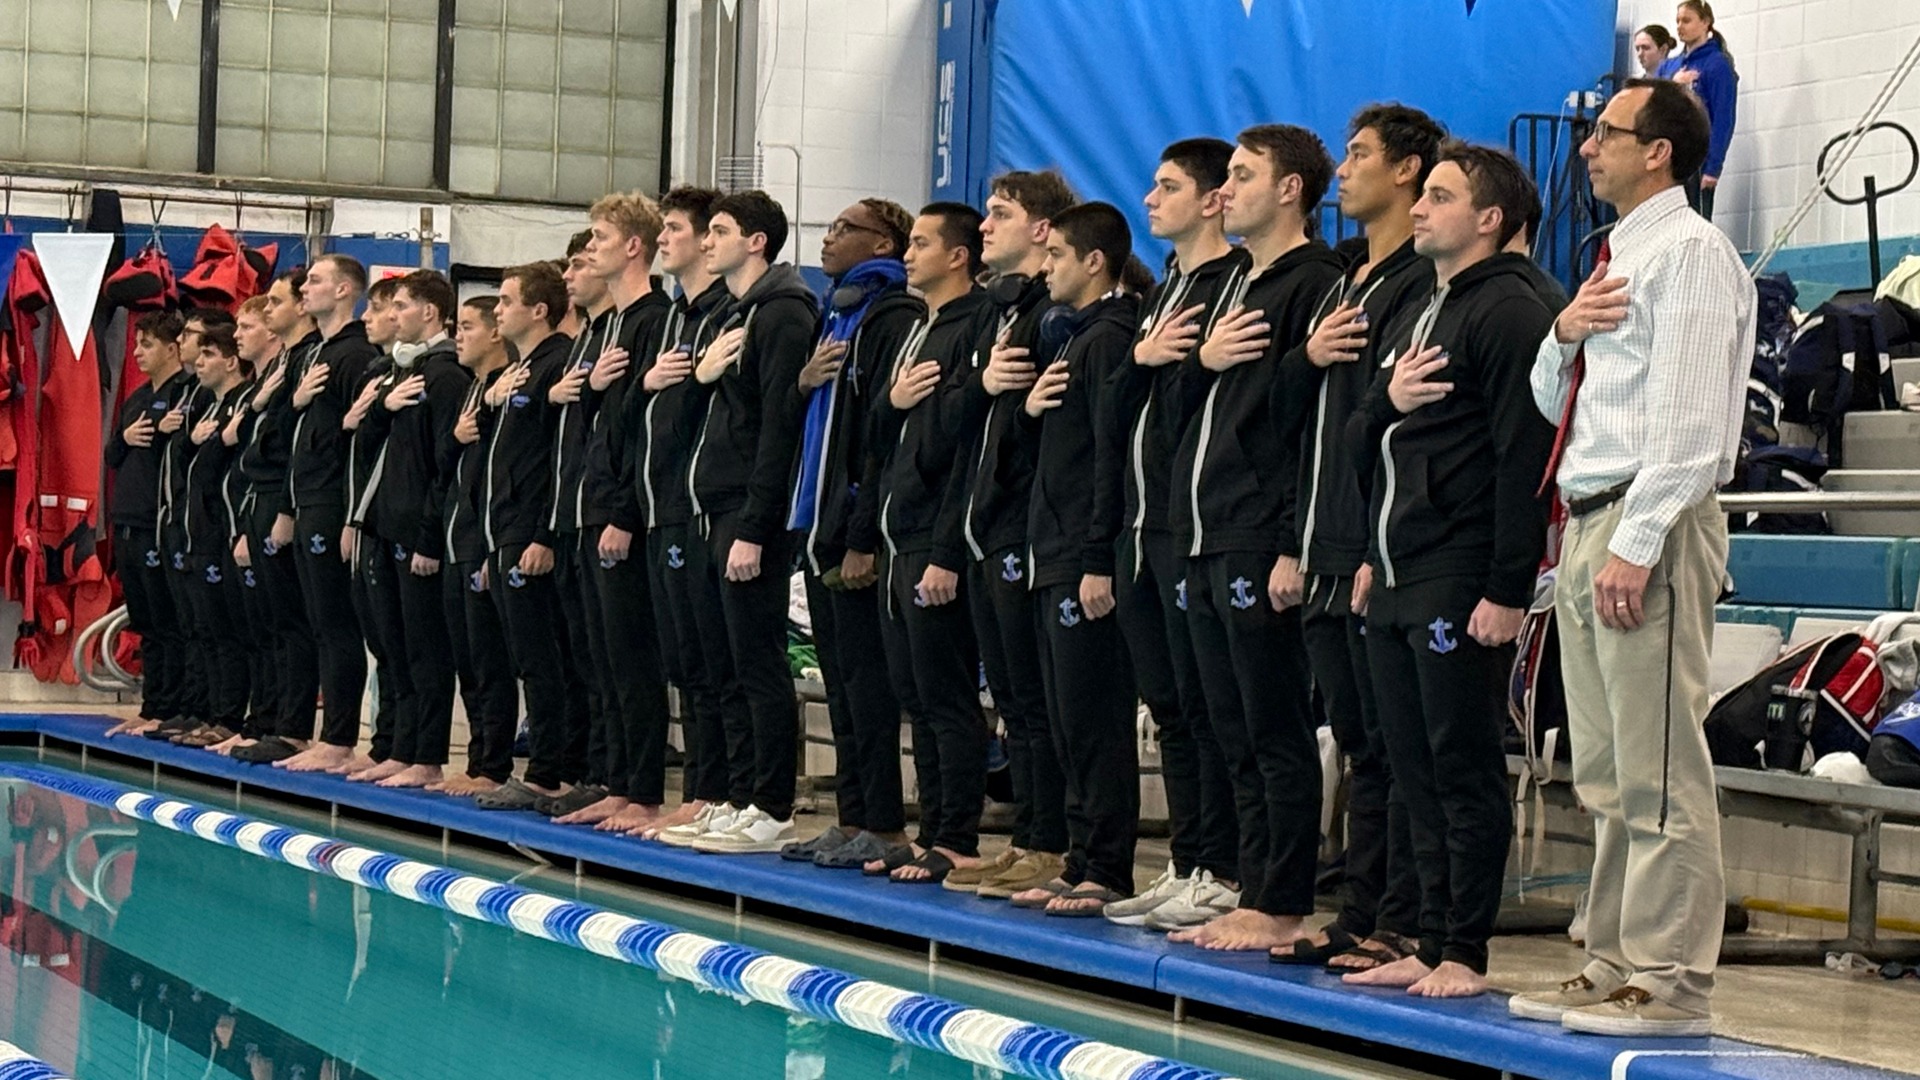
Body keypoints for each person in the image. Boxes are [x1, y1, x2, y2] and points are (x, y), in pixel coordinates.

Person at [1513, 77, 1753, 1038]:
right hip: (1588, 517)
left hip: (1643, 525)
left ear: (1658, 151)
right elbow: (1551, 404)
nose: (1585, 149)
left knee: (1659, 768)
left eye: (1605, 134)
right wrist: (1562, 334)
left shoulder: (1691, 254)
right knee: (1607, 769)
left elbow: (1696, 429)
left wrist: (1641, 541)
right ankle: (1612, 956)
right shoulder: (1614, 256)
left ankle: (1671, 982)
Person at [1341, 142, 1556, 998]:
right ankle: (1428, 938)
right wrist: (1369, 553)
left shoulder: (1511, 310)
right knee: (1410, 764)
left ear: (1491, 218)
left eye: (1439, 196)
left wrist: (1508, 587)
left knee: (1458, 763)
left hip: (1462, 572)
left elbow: (1523, 457)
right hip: (1396, 568)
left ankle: (1465, 949)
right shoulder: (1421, 307)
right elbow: (1361, 431)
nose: (1419, 208)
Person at [1269, 103, 1442, 973]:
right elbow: (1291, 419)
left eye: (1361, 154)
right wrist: (1303, 357)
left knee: (1390, 746)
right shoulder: (1345, 283)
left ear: (1409, 173)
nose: (1345, 169)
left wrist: (1378, 547)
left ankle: (1402, 917)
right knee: (1362, 744)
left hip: (1376, 544)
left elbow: (1403, 428)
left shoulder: (1419, 282)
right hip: (1323, 536)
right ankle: (1365, 909)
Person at [1166, 124, 1342, 952]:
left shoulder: (1316, 282)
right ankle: (1244, 881)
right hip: (1205, 529)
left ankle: (1281, 897)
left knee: (1271, 728)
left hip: (1258, 529)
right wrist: (1198, 360)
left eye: (1242, 176)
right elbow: (1177, 415)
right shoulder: (1235, 284)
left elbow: (1305, 425)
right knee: (1226, 725)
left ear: (1291, 190)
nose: (1224, 190)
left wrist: (1287, 542)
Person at [1100, 138, 1249, 931]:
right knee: (1172, 704)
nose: (1150, 199)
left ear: (1213, 199)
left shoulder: (1232, 284)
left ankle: (1222, 868)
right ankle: (1190, 859)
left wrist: (1168, 365)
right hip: (1143, 520)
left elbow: (1220, 403)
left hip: (1194, 525)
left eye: (1168, 187)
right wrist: (1145, 358)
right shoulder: (1166, 290)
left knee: (1204, 703)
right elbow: (1123, 402)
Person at [935, 170, 1076, 901]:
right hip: (985, 529)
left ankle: (1051, 841)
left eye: (1000, 213)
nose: (985, 226)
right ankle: (1029, 836)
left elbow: (1050, 438)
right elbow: (957, 421)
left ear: (1044, 230)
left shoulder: (1054, 315)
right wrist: (985, 389)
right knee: (1015, 702)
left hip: (1026, 530)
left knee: (1035, 700)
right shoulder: (1000, 312)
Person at [775, 198, 924, 869]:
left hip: (856, 531)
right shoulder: (836, 315)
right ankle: (853, 814)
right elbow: (807, 424)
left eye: (843, 229)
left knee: (867, 686)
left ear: (882, 242)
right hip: (819, 522)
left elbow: (879, 439)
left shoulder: (892, 318)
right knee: (839, 683)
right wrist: (800, 384)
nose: (828, 238)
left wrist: (862, 535)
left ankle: (887, 824)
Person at [673, 190, 819, 855]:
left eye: (721, 231)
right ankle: (737, 795)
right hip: (718, 507)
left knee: (758, 665)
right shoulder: (736, 315)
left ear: (756, 241)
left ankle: (772, 806)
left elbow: (778, 432)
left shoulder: (783, 315)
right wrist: (700, 378)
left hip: (748, 514)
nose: (708, 241)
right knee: (726, 663)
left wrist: (757, 527)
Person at [1012, 200, 1142, 917]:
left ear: (1095, 262)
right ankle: (1080, 856)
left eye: (1057, 254)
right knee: (1064, 717)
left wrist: (1097, 556)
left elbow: (1107, 460)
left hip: (1080, 557)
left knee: (1092, 718)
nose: (1046, 265)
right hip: (1051, 549)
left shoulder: (1106, 341)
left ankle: (1108, 867)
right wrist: (1030, 412)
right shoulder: (1073, 340)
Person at [866, 203, 995, 884]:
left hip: (935, 536)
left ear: (958, 256)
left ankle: (957, 835)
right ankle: (930, 830)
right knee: (913, 693)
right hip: (898, 530)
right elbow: (879, 426)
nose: (907, 254)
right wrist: (893, 399)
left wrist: (947, 549)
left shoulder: (977, 324)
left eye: (920, 244)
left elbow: (967, 443)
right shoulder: (919, 327)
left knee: (945, 696)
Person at [559, 193, 677, 831]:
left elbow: (645, 433)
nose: (591, 245)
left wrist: (625, 515)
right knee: (599, 657)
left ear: (635, 245)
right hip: (589, 504)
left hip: (621, 512)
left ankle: (644, 790)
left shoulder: (654, 319)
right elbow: (591, 426)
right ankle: (612, 779)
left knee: (632, 659)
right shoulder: (605, 326)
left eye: (601, 236)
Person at [635, 186, 736, 843]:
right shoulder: (679, 317)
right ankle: (703, 789)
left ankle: (724, 793)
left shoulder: (729, 314)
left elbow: (729, 421)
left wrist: (687, 382)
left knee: (719, 664)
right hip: (666, 505)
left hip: (707, 509)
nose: (662, 239)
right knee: (690, 665)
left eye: (673, 228)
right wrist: (651, 385)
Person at [474, 261, 584, 811]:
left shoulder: (555, 366)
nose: (497, 309)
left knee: (545, 657)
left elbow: (556, 460)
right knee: (529, 656)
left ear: (539, 310)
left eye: (506, 299)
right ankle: (549, 765)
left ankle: (551, 771)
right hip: (507, 531)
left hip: (533, 530)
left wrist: (542, 534)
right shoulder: (517, 372)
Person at [357, 270, 470, 790]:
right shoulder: (404, 372)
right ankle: (401, 748)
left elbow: (443, 464)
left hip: (419, 534)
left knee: (425, 651)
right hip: (389, 525)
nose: (392, 315)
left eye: (401, 306)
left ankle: (425, 754)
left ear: (429, 312)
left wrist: (429, 537)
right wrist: (380, 405)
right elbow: (371, 442)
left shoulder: (444, 376)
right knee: (395, 648)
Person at [264, 256, 377, 769]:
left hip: (334, 501)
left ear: (346, 289)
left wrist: (353, 516)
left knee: (336, 623)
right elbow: (293, 440)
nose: (305, 287)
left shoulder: (356, 356)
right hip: (307, 499)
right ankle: (317, 735)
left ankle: (339, 738)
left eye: (314, 280)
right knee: (316, 620)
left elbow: (362, 440)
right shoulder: (317, 356)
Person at [542, 228, 620, 820]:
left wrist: (618, 512)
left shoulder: (631, 328)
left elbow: (628, 434)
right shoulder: (585, 341)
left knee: (613, 659)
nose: (573, 274)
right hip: (573, 515)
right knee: (583, 654)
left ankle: (614, 776)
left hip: (604, 517)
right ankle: (596, 772)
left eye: (582, 262)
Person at [230, 271, 322, 765]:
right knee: (270, 623)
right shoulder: (280, 369)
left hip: (287, 501)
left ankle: (292, 728)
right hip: (264, 500)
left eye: (276, 304)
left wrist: (285, 509)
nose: (268, 313)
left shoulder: (310, 360)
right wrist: (265, 403)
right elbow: (244, 441)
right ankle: (268, 721)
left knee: (294, 624)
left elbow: (294, 446)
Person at [437, 296, 520, 798]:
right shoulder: (474, 389)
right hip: (458, 535)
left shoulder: (505, 386)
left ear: (494, 333)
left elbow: (508, 468)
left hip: (485, 540)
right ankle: (477, 759)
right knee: (468, 659)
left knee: (490, 660)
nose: (457, 336)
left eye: (466, 327)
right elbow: (448, 467)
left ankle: (494, 763)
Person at [103, 312, 197, 738]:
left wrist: (164, 433)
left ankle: (173, 705)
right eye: (137, 344)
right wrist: (126, 438)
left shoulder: (186, 396)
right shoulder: (138, 398)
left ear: (173, 349)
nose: (138, 352)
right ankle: (153, 703)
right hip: (127, 519)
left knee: (168, 620)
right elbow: (111, 456)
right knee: (145, 621)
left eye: (147, 345)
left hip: (160, 524)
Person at [176, 324, 255, 747]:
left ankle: (231, 717)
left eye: (207, 355)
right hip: (200, 532)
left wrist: (215, 443)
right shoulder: (209, 406)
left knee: (230, 631)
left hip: (227, 532)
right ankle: (208, 712)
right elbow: (193, 470)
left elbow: (222, 473)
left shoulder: (241, 405)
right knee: (205, 628)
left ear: (229, 361)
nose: (199, 363)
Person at [1659, 1, 1736, 220]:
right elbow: (1654, 105)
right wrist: (1673, 85)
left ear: (1705, 23)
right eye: (1678, 21)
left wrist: (1713, 167)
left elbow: (1723, 118)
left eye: (1687, 20)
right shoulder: (1669, 67)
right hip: (1668, 157)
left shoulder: (1717, 65)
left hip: (1698, 159)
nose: (1680, 26)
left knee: (1695, 220)